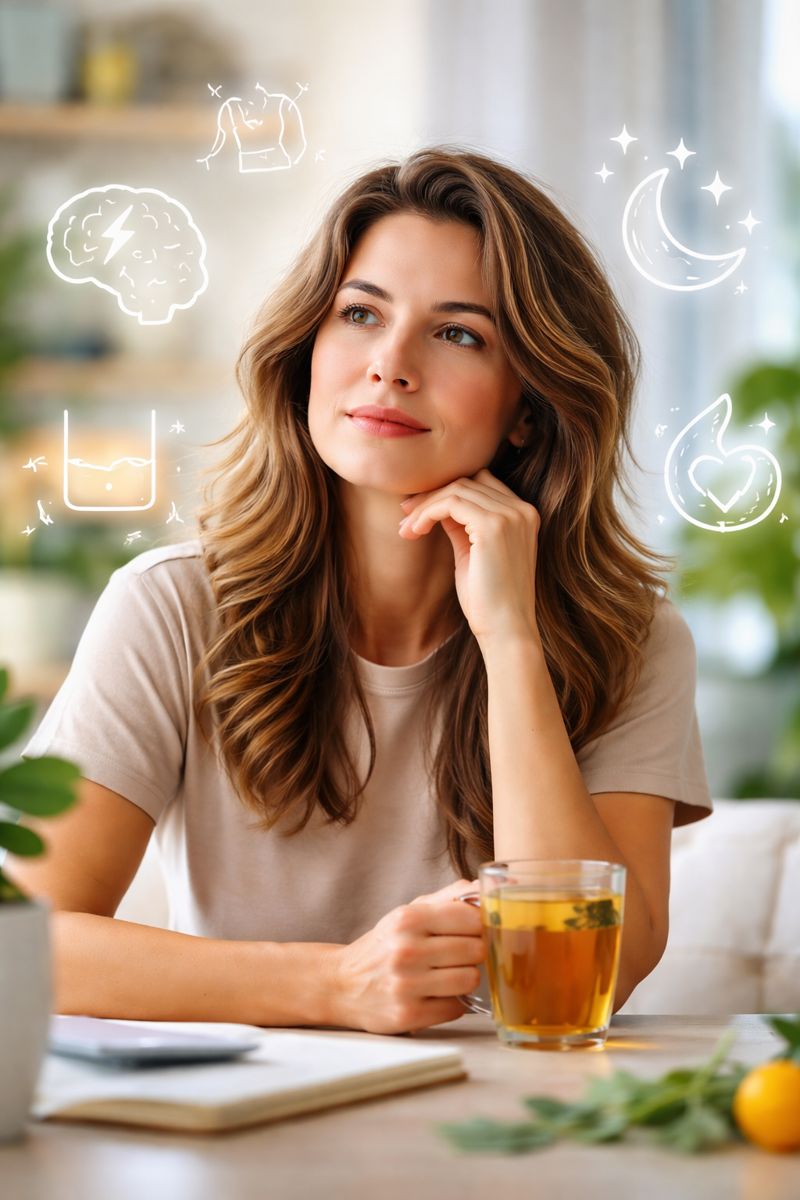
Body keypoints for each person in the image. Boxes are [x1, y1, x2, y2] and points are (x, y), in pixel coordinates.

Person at [12, 146, 712, 1035]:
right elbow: (25, 944)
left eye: (459, 334)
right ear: (308, 348)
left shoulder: (633, 637)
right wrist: (337, 984)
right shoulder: (170, 608)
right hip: (248, 1112)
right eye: (360, 314)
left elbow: (601, 975)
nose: (390, 363)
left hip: (514, 1113)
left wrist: (512, 643)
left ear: (529, 408)